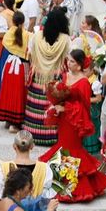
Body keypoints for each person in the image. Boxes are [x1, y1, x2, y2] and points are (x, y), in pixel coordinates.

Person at [41, 51, 106, 202]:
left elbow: (84, 107)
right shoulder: (66, 76)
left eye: (72, 61)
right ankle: (60, 185)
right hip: (64, 121)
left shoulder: (84, 82)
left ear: (80, 65)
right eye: (68, 60)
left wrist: (65, 108)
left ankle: (67, 188)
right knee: (62, 148)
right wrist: (55, 105)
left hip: (75, 122)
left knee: (70, 150)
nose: (69, 63)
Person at [23, 9, 71, 150]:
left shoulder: (37, 37)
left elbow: (30, 53)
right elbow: (69, 57)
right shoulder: (66, 40)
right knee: (51, 104)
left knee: (36, 106)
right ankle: (51, 135)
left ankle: (34, 133)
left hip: (38, 76)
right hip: (55, 78)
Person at [0, 11, 30, 129]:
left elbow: (5, 43)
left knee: (8, 91)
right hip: (21, 66)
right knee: (19, 93)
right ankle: (16, 122)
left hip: (10, 64)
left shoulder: (9, 33)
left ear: (13, 21)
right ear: (23, 22)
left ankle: (8, 120)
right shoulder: (28, 35)